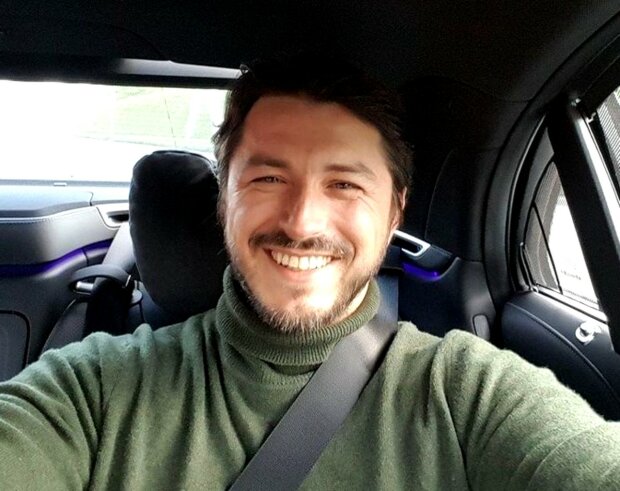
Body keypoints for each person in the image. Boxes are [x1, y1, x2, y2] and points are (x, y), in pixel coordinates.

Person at [1, 54, 620, 490]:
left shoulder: (468, 395)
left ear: (393, 212)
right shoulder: (93, 390)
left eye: (345, 184)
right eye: (269, 178)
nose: (301, 222)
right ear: (224, 203)